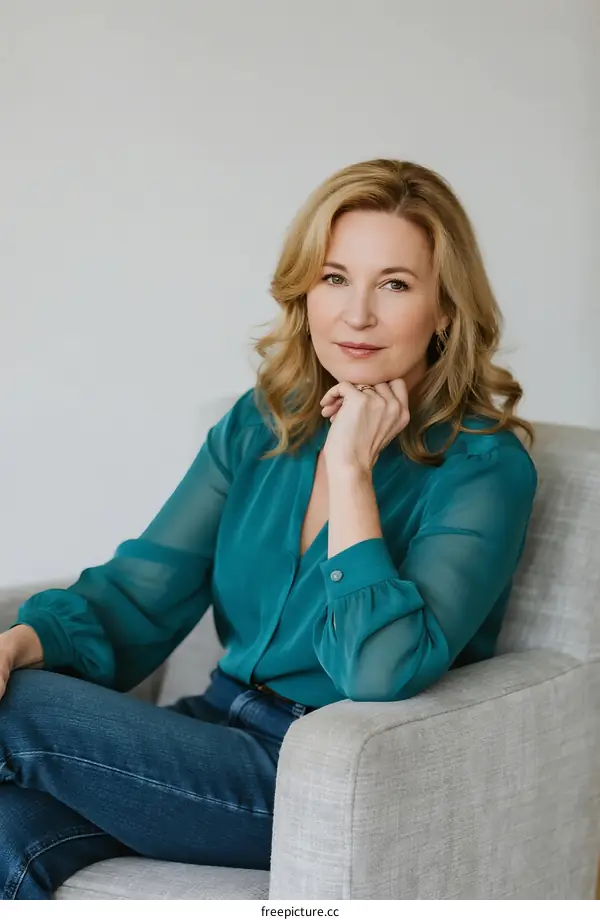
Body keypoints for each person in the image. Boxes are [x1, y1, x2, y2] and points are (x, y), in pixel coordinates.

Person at [0, 158, 537, 899]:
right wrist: (18, 644)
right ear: (305, 291)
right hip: (213, 734)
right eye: (335, 278)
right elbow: (141, 594)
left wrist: (350, 470)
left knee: (17, 708)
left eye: (396, 284)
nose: (357, 315)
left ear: (445, 309)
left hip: (327, 776)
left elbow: (381, 672)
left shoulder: (484, 465)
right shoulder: (262, 423)